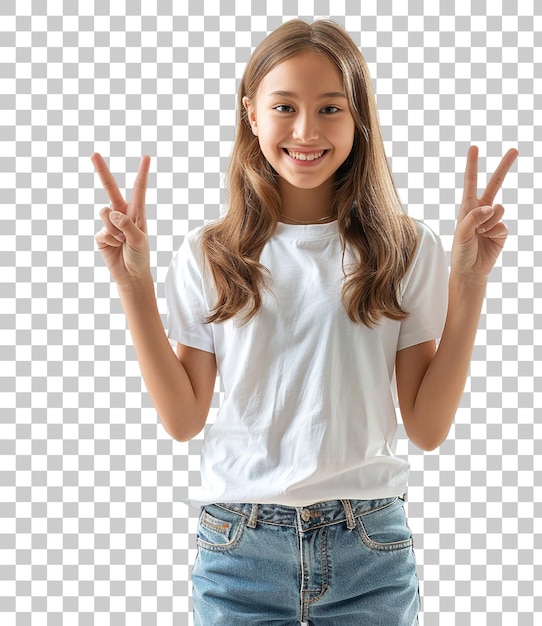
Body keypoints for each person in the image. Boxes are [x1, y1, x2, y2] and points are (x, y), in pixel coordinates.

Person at [92, 18, 517, 626]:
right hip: (239, 552)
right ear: (252, 114)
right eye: (284, 106)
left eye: (330, 109)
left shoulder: (403, 247)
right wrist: (131, 283)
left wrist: (469, 284)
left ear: (358, 118)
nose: (306, 131)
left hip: (368, 549)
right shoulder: (210, 252)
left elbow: (426, 427)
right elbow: (184, 419)